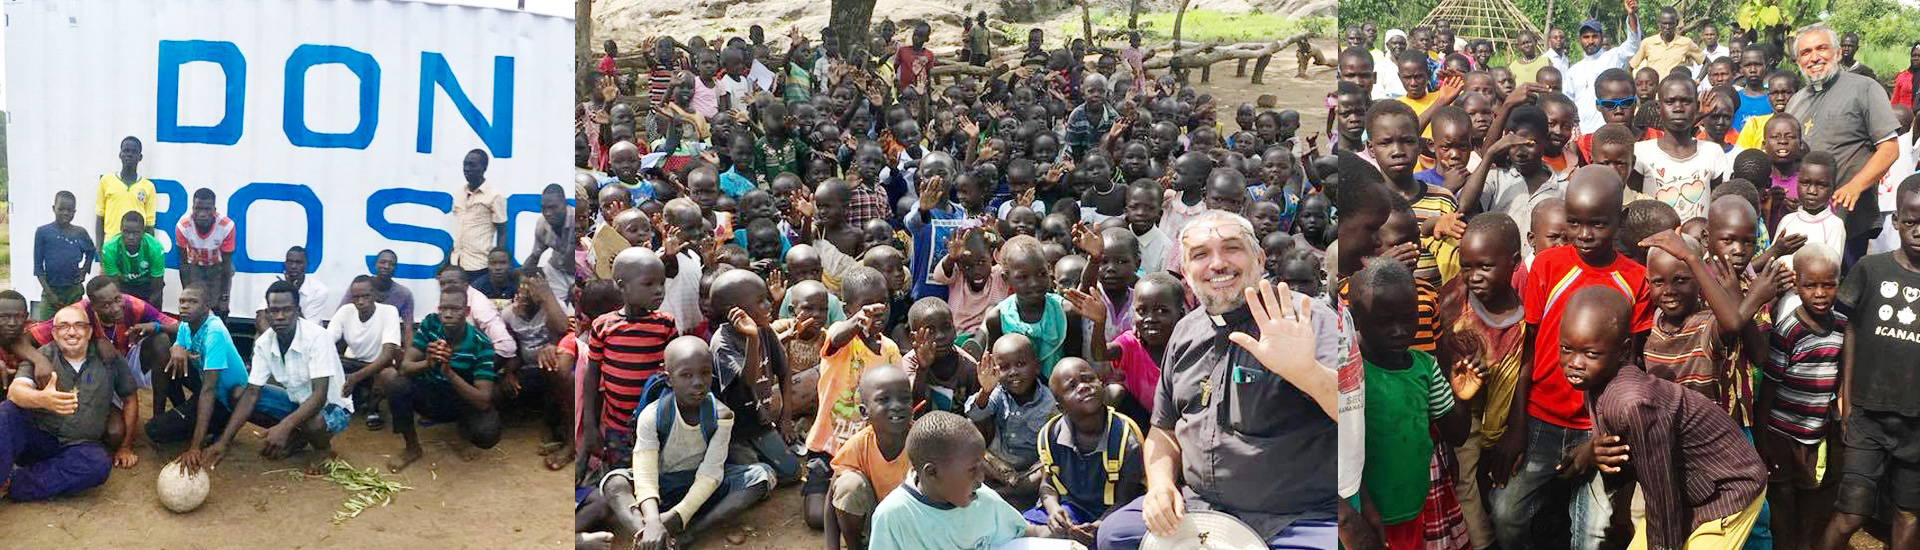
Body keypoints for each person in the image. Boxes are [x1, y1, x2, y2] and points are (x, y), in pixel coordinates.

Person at [1097, 211, 1341, 550]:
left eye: (1231, 249)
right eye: (1200, 255)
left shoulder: (1305, 318)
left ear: (1258, 258)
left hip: (1295, 519)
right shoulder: (1184, 331)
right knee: (1114, 535)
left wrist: (1308, 374)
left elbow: (1358, 416)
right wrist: (1160, 485)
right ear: (1185, 272)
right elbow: (1163, 431)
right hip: (1199, 510)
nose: (1217, 264)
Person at [1490, 166, 1648, 550]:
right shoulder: (1547, 266)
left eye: (1598, 224)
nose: (1585, 235)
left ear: (1619, 219)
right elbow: (1526, 349)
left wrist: (1611, 434)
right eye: (1574, 223)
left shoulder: (1636, 278)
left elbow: (1635, 363)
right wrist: (1516, 425)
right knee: (1507, 515)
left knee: (1593, 534)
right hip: (1542, 416)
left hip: (1599, 424)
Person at [1558, 284, 1767, 550]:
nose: (1575, 362)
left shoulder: (1633, 404)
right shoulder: (1597, 380)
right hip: (1688, 488)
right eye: (1566, 349)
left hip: (1727, 487)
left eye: (1590, 354)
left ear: (1623, 351)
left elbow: (1661, 495)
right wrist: (1592, 452)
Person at [1819, 174, 1920, 550]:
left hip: (1917, 422)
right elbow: (1851, 331)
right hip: (1868, 415)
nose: (1918, 230)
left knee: (1909, 514)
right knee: (1851, 513)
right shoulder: (1871, 270)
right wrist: (1845, 394)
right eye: (1910, 221)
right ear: (1896, 221)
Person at [1786, 24, 1904, 269]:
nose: (1814, 57)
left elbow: (1890, 149)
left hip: (1848, 218)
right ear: (1798, 62)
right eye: (1806, 52)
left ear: (1838, 53)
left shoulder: (1865, 88)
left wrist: (1855, 186)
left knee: (1843, 297)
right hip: (1805, 220)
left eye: (1822, 48)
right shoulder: (1796, 101)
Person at [202, 281, 352, 470]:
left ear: (297, 310)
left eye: (287, 310)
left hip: (332, 407)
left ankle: (323, 449)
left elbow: (319, 397)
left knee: (313, 422)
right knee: (238, 395)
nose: (280, 317)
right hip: (297, 402)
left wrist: (285, 425)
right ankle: (298, 435)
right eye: (274, 311)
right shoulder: (264, 342)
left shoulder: (317, 337)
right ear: (267, 313)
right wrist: (224, 441)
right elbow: (252, 393)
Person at [0, 305, 135, 501]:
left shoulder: (109, 358)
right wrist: (42, 399)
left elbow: (130, 398)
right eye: (63, 326)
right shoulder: (42, 356)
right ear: (54, 333)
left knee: (97, 464)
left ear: (89, 332)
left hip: (78, 446)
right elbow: (15, 391)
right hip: (38, 439)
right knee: (6, 412)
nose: (71, 332)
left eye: (79, 325)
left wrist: (125, 446)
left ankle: (15, 483)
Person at [867, 411, 1054, 550]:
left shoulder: (983, 499)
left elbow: (1023, 531)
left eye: (982, 467)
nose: (981, 478)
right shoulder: (893, 516)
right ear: (932, 472)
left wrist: (1068, 535)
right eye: (972, 470)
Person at [381, 287, 501, 472]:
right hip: (430, 392)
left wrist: (449, 372)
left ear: (467, 312)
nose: (448, 314)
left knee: (487, 433)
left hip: (460, 401)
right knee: (396, 383)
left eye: (455, 309)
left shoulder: (481, 343)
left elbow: (483, 400)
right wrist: (428, 363)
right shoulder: (430, 324)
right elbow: (405, 367)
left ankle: (462, 435)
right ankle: (412, 447)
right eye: (443, 309)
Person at [149, 284, 253, 466]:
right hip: (205, 384)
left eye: (192, 302)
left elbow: (209, 390)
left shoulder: (215, 333)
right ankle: (185, 414)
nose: (185, 306)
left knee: (155, 430)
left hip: (223, 400)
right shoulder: (187, 324)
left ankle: (213, 426)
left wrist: (194, 447)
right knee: (168, 358)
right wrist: (176, 348)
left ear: (207, 307)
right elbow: (178, 345)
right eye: (182, 301)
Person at [826, 363, 916, 550]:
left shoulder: (922, 442)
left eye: (905, 399)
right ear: (864, 412)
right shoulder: (859, 445)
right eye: (884, 399)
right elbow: (833, 496)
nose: (897, 406)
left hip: (915, 529)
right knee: (848, 486)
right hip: (874, 528)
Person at [328, 275, 405, 431]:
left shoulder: (389, 312)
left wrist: (356, 378)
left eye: (366, 296)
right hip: (350, 364)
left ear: (375, 295)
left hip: (375, 366)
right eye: (356, 297)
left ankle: (373, 409)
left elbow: (388, 355)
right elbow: (326, 341)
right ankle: (342, 402)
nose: (361, 301)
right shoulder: (345, 311)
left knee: (389, 374)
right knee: (327, 362)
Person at [1568, 0, 1644, 134]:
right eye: (1586, 37)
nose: (1590, 41)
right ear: (1580, 40)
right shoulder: (1573, 71)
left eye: (1594, 36)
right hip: (1584, 133)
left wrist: (1631, 15)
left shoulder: (1613, 56)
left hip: (1612, 129)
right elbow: (1568, 102)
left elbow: (1633, 44)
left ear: (1601, 38)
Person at [33, 191, 96, 320]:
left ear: (74, 212)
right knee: (46, 328)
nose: (65, 213)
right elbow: (38, 267)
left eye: (70, 210)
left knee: (75, 324)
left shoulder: (80, 233)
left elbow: (91, 251)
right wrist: (50, 294)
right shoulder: (43, 232)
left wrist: (84, 270)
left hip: (74, 291)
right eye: (61, 209)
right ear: (53, 208)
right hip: (51, 289)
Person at [175, 188, 236, 316]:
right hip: (195, 267)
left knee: (219, 308)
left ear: (214, 210)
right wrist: (188, 291)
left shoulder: (226, 226)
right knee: (195, 307)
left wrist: (224, 296)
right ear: (193, 208)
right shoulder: (182, 226)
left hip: (219, 267)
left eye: (207, 209)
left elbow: (226, 263)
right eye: (198, 209)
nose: (202, 214)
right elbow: (183, 263)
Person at [452, 148, 508, 280]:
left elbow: (502, 231)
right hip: (457, 263)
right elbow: (460, 231)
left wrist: (497, 263)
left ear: (484, 167)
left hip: (479, 265)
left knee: (478, 300)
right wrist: (448, 261)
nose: (467, 169)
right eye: (465, 164)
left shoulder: (494, 196)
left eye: (472, 165)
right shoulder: (459, 194)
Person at [96, 136, 157, 248]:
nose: (129, 154)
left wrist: (147, 251)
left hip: (136, 248)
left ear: (140, 157)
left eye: (134, 152)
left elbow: (149, 224)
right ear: (120, 154)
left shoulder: (148, 187)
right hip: (111, 246)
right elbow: (100, 217)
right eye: (126, 151)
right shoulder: (106, 181)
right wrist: (99, 249)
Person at [100, 212, 165, 306]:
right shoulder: (109, 248)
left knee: (152, 312)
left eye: (136, 233)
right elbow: (113, 285)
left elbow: (156, 287)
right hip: (122, 285)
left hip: (147, 284)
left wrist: (148, 311)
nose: (131, 237)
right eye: (126, 232)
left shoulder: (155, 248)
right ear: (120, 230)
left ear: (143, 232)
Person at [1628, 7, 1704, 79]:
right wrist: (1634, 85)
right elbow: (1631, 66)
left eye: (1671, 23)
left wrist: (1697, 81)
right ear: (1659, 23)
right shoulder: (1647, 43)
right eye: (1664, 23)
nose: (1667, 27)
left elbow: (1706, 62)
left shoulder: (1686, 43)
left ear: (1676, 23)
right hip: (1655, 91)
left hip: (1675, 90)